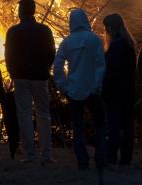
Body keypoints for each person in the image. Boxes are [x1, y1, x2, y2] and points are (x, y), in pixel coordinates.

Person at [53, 9, 106, 180]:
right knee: (100, 124)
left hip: (74, 90)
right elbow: (100, 65)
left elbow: (58, 66)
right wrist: (96, 85)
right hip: (92, 90)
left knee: (78, 126)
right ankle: (100, 159)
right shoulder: (95, 40)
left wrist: (63, 86)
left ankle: (82, 162)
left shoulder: (67, 42)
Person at [5, 0, 55, 164]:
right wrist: (45, 68)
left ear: (21, 11)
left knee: (24, 115)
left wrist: (13, 73)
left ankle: (29, 155)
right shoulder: (45, 30)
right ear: (33, 11)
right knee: (43, 114)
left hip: (20, 78)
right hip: (40, 77)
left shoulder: (13, 32)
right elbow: (51, 54)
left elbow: (9, 57)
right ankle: (46, 155)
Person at [102, 13, 136, 165]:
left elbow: (110, 70)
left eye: (106, 27)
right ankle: (126, 157)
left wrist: (105, 89)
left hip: (115, 91)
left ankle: (111, 156)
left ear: (111, 27)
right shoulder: (128, 43)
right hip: (128, 90)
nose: (106, 31)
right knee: (127, 124)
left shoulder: (116, 45)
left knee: (114, 124)